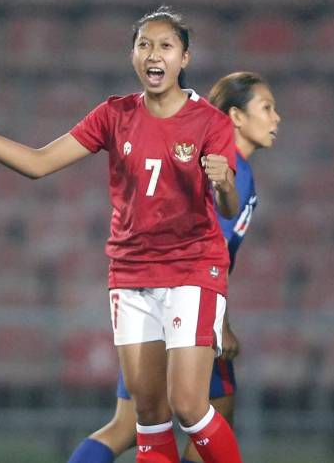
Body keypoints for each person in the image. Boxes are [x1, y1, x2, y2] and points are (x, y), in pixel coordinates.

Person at [0, 6, 244, 463]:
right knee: (148, 415)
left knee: (188, 403)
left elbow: (227, 207)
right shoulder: (114, 114)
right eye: (144, 44)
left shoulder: (210, 123)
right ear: (132, 56)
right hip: (130, 274)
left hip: (191, 269)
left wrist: (223, 181)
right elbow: (40, 163)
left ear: (184, 57)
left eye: (165, 45)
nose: (153, 54)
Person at [68, 71, 280, 463]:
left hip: (156, 295)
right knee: (209, 413)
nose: (276, 118)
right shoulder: (232, 172)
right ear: (235, 116)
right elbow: (207, 244)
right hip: (184, 302)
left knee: (132, 423)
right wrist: (223, 322)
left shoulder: (220, 162)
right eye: (266, 108)